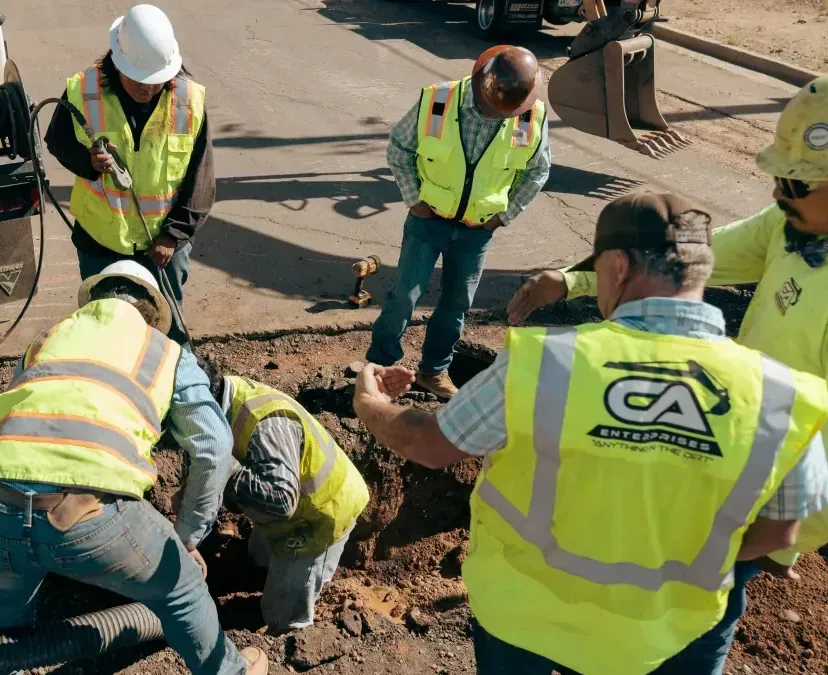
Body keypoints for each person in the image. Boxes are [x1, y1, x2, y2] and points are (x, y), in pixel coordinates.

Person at [353, 192, 828, 675]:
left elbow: (431, 444)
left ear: (618, 267)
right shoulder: (785, 397)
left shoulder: (546, 362)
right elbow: (781, 531)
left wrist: (371, 405)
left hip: (524, 617)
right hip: (669, 638)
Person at [506, 75, 828, 672]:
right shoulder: (792, 224)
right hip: (744, 446)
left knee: (703, 604)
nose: (779, 191)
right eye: (778, 176)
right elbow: (701, 248)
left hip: (776, 477)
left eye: (797, 181)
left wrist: (781, 516)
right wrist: (580, 275)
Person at [0, 260, 267, 675]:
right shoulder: (164, 351)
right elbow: (214, 447)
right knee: (182, 589)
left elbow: (8, 421)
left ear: (93, 299)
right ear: (152, 315)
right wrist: (188, 537)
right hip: (86, 516)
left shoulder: (44, 340)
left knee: (4, 600)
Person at [366, 44, 552, 401]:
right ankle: (380, 367)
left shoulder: (531, 117)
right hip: (428, 221)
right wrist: (414, 198)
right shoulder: (439, 100)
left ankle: (434, 371)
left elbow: (538, 171)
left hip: (476, 232)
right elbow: (399, 147)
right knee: (405, 295)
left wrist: (503, 215)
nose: (498, 116)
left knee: (456, 304)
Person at [46, 4, 213, 343]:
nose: (147, 89)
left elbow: (202, 178)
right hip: (101, 241)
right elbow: (57, 140)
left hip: (162, 247)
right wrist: (88, 162)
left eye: (155, 81)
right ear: (117, 62)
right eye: (139, 80)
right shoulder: (84, 91)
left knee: (166, 330)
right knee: (104, 328)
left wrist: (174, 234)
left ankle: (169, 386)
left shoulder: (188, 102)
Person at [195, 356, 369, 633]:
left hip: (321, 514)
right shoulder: (223, 397)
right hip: (289, 501)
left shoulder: (265, 426)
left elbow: (279, 498)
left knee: (281, 616)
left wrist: (224, 470)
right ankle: (264, 576)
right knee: (257, 559)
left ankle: (284, 631)